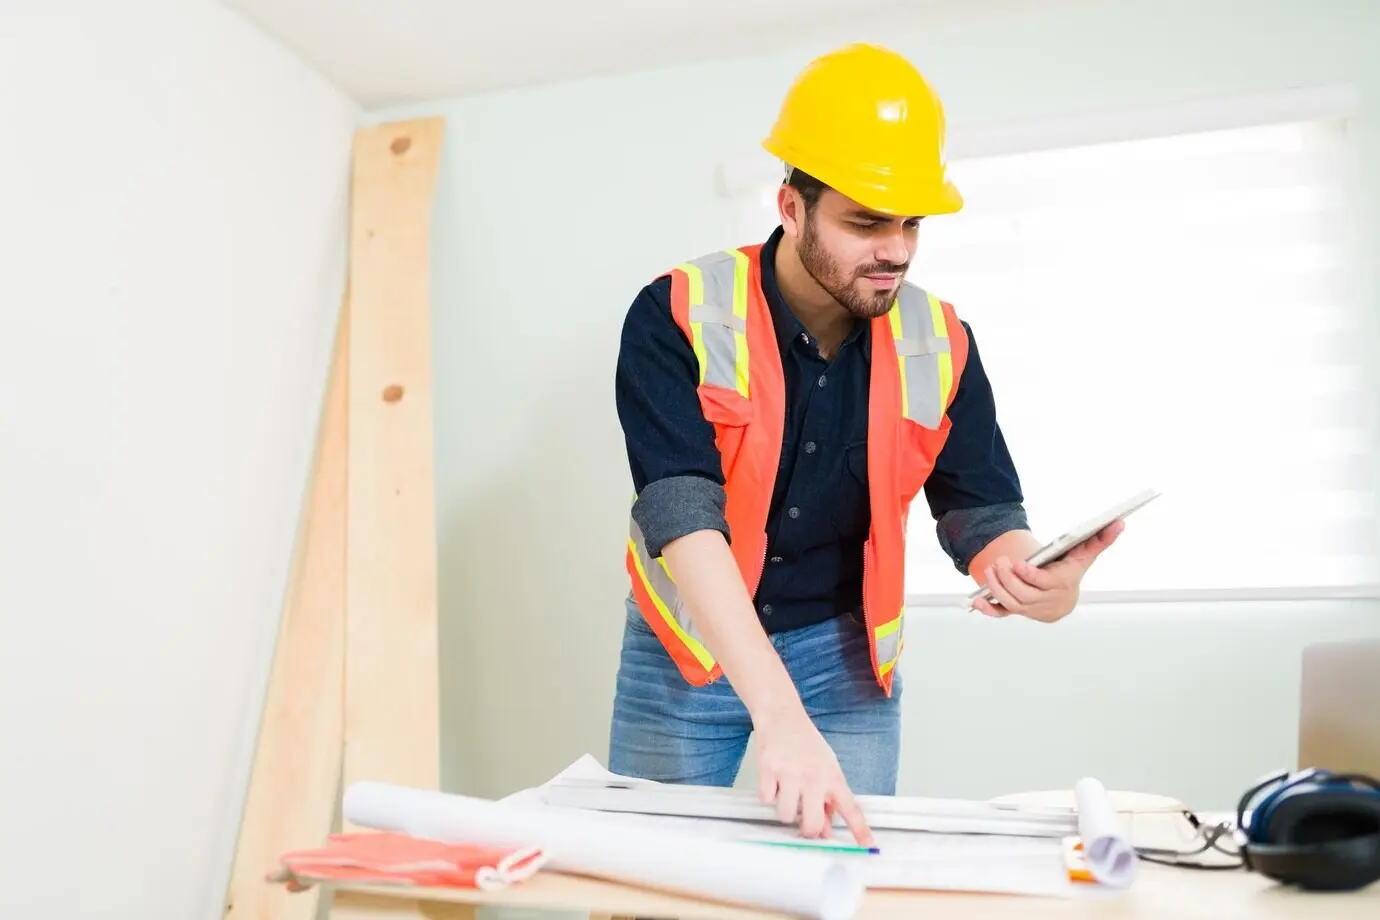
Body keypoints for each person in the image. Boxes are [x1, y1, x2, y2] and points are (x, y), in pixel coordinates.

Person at [607, 42, 1124, 846]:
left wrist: (1037, 581)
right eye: (866, 222)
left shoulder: (941, 339)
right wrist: (778, 715)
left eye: (911, 222)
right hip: (689, 645)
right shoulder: (675, 311)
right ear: (790, 206)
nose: (897, 250)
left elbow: (982, 511)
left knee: (844, 874)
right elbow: (682, 517)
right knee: (644, 875)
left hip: (843, 658)